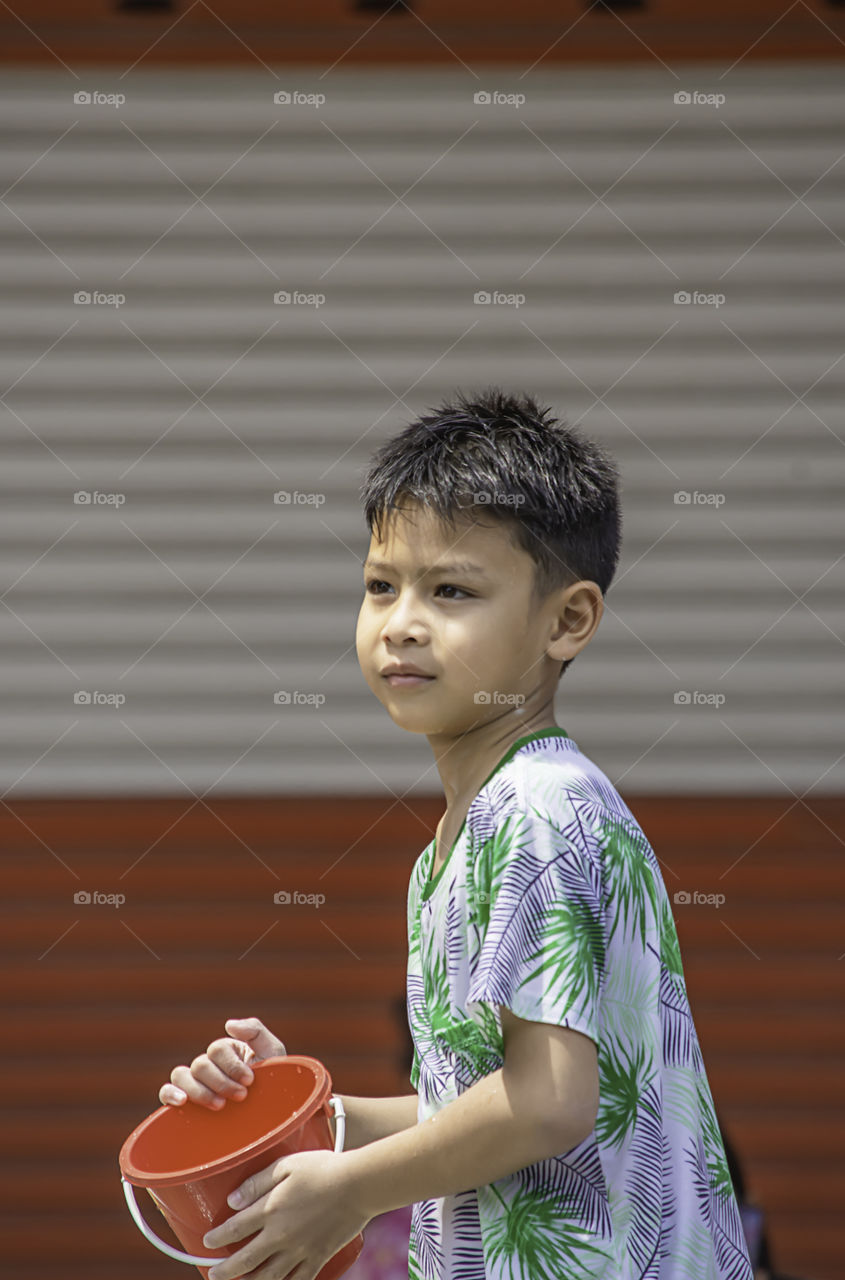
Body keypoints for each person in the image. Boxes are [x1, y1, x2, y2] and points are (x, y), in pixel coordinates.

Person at [159, 388, 754, 1280]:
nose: (400, 621)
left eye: (450, 590)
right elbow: (474, 1107)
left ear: (568, 620)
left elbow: (546, 1105)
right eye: (379, 585)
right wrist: (318, 1116)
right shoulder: (456, 841)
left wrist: (352, 1190)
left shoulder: (538, 810)